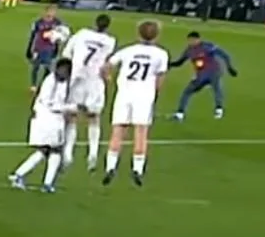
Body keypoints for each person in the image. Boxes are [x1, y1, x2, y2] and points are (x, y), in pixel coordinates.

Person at [101, 20, 169, 186]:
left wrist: (108, 78)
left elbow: (107, 65)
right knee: (141, 132)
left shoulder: (128, 50)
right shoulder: (161, 54)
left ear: (138, 33)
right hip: (144, 96)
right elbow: (160, 77)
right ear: (157, 35)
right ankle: (137, 169)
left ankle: (110, 166)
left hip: (125, 94)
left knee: (118, 130)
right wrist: (155, 93)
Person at [9, 58, 77, 194]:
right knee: (52, 150)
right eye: (62, 69)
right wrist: (71, 108)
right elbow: (49, 104)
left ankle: (23, 176)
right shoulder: (50, 82)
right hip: (47, 119)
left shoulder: (63, 83)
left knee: (47, 150)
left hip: (53, 120)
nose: (64, 73)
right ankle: (41, 182)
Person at [60, 14, 116, 170]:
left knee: (72, 117)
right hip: (94, 80)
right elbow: (106, 64)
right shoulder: (110, 41)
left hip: (77, 78)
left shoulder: (81, 34)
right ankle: (93, 153)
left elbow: (66, 54)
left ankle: (68, 153)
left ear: (94, 23)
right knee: (93, 117)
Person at [169, 32, 238, 120]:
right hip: (201, 76)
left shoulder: (207, 46)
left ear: (198, 39)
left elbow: (224, 55)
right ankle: (180, 114)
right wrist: (169, 64)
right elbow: (179, 62)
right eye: (189, 40)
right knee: (187, 91)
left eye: (192, 40)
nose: (191, 42)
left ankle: (219, 109)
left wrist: (230, 67)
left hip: (213, 71)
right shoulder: (189, 50)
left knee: (217, 88)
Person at [25, 5, 64, 91]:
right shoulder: (38, 22)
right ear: (45, 12)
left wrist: (57, 48)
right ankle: (33, 85)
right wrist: (29, 48)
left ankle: (43, 83)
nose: (52, 13)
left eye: (53, 11)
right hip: (38, 48)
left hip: (50, 48)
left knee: (48, 67)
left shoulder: (57, 23)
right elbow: (33, 35)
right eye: (50, 11)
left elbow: (60, 36)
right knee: (36, 66)